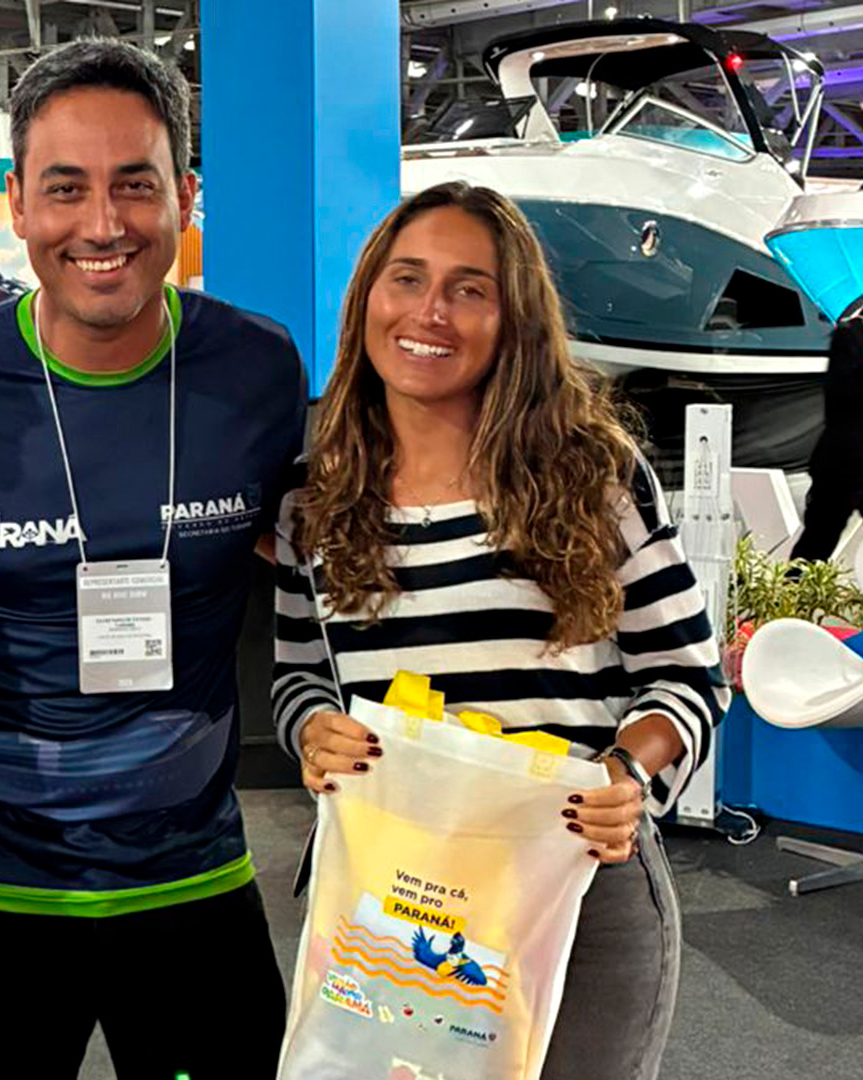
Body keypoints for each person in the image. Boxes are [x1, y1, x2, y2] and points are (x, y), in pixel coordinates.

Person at [0, 38, 308, 1080]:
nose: (103, 224)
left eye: (136, 184)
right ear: (16, 203)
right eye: (66, 188)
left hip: (192, 878)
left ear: (185, 195)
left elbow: (318, 538)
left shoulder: (258, 367)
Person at [272, 181, 729, 1080]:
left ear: (513, 317)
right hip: (389, 894)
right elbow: (301, 679)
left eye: (469, 289)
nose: (430, 312)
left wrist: (627, 773)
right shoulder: (313, 496)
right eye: (407, 279)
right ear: (367, 297)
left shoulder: (592, 473)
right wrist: (313, 731)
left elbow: (688, 675)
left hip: (574, 888)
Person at [789, 317, 863, 563]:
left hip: (844, 458)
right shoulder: (850, 335)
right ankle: (795, 586)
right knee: (816, 544)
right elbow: (841, 395)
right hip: (843, 462)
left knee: (817, 541)